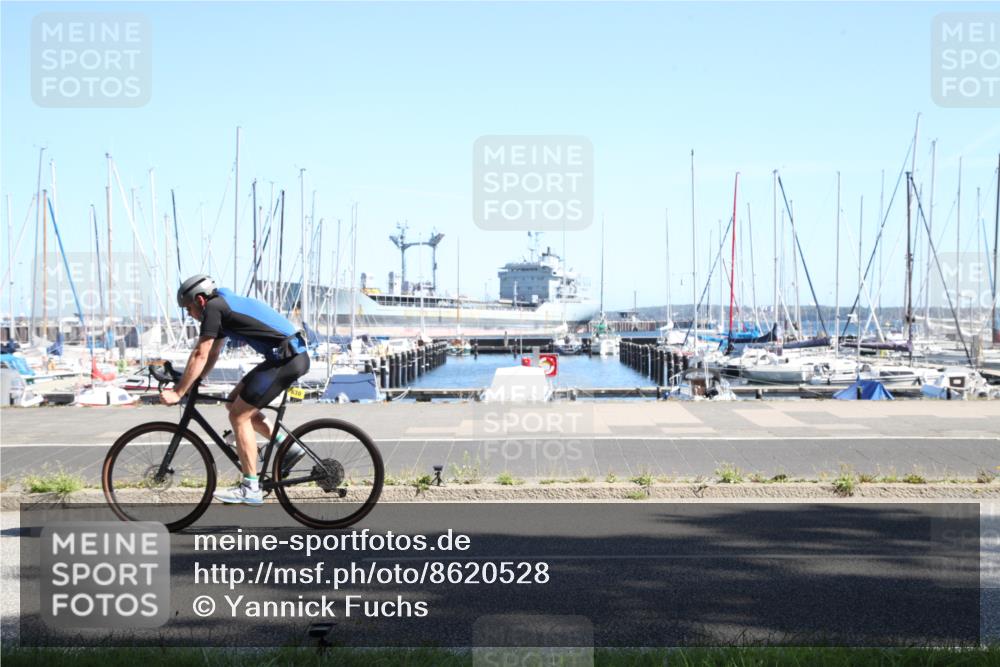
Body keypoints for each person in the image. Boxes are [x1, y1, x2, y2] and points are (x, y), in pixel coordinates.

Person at [162, 274, 309, 505]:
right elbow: (212, 353)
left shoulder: (214, 308)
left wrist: (179, 391)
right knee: (233, 402)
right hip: (285, 357)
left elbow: (201, 352)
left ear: (200, 300)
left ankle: (251, 487)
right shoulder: (222, 306)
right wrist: (193, 379)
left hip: (286, 360)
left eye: (188, 308)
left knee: (239, 416)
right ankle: (288, 447)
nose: (188, 314)